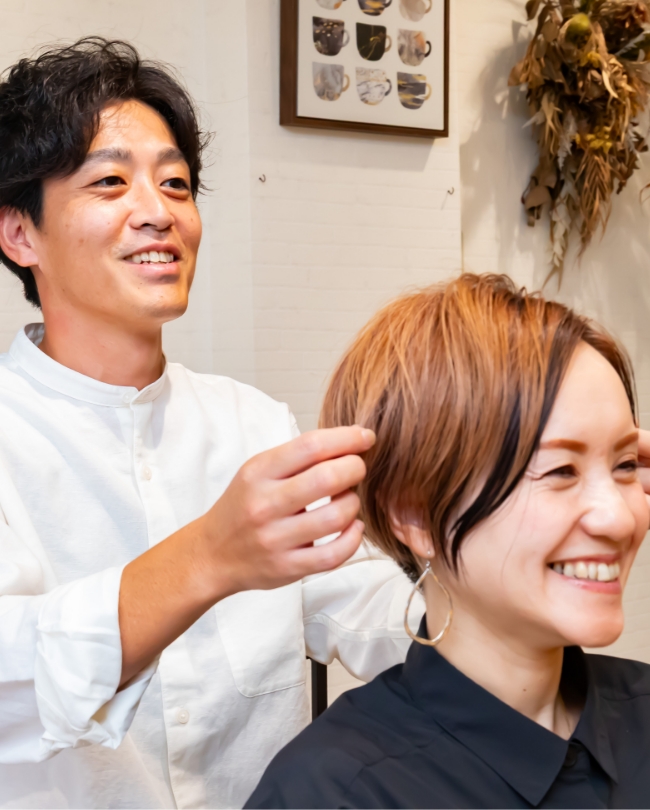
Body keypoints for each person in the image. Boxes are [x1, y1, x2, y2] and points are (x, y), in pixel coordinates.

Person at [0, 38, 421, 808]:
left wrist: (487, 552)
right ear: (20, 234)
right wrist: (210, 556)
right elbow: (16, 681)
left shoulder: (253, 424)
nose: (158, 213)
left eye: (177, 184)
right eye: (111, 182)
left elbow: (375, 615)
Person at [246, 273, 650, 809]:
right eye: (560, 471)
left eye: (625, 465)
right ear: (414, 514)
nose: (619, 519)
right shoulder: (333, 791)